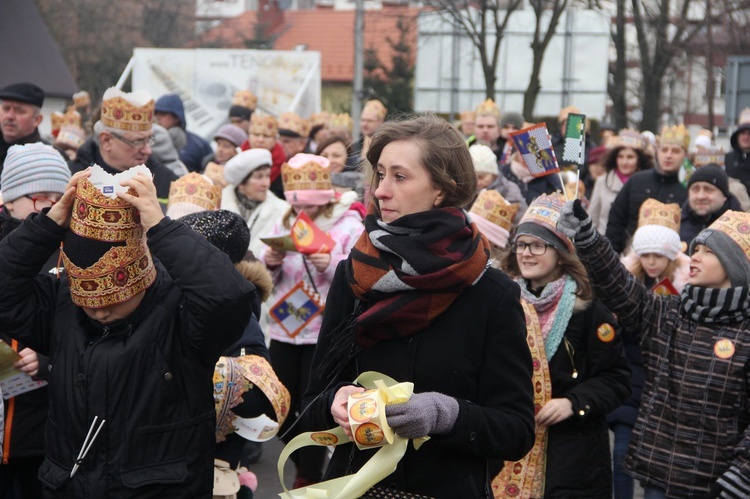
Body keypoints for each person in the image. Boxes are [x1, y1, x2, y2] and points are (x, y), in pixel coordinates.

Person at [299, 115, 535, 497]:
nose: (380, 191)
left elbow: (516, 431)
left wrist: (447, 413)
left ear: (442, 189)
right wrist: (334, 402)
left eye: (400, 176)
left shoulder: (490, 293)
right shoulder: (354, 275)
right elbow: (310, 405)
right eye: (379, 174)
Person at [0, 163, 254, 497]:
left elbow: (229, 297)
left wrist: (162, 229)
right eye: (88, 303)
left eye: (115, 301)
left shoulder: (181, 313)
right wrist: (46, 227)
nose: (100, 310)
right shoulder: (61, 307)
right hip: (68, 485)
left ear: (143, 275)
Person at [559, 198, 750, 498]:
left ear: (735, 267)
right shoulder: (668, 313)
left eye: (709, 252)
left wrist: (741, 478)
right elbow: (618, 284)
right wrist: (587, 236)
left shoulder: (746, 334)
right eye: (696, 249)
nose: (695, 257)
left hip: (716, 482)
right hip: (658, 474)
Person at [493, 193, 630, 498]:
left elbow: (617, 379)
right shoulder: (502, 302)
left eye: (538, 245)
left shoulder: (589, 308)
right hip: (511, 444)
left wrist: (573, 402)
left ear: (561, 251)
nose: (526, 254)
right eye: (521, 244)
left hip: (572, 454)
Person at [261, 153, 364, 488]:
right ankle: (303, 463)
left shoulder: (349, 225)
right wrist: (271, 260)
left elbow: (360, 275)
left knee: (314, 408)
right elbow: (268, 279)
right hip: (284, 328)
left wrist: (330, 263)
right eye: (299, 203)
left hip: (324, 331)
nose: (305, 211)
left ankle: (308, 475)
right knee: (276, 407)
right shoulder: (284, 221)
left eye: (312, 204)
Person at [0, 143, 71, 499]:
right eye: (41, 197)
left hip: (43, 428)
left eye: (62, 198)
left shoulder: (71, 253)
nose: (52, 208)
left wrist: (49, 363)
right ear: (9, 199)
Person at [613, 199, 690, 499]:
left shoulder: (688, 289)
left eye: (659, 255)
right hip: (632, 382)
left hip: (667, 389)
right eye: (646, 255)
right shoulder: (629, 284)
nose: (652, 262)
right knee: (620, 456)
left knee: (657, 472)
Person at [71, 87, 178, 200]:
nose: (148, 150)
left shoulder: (167, 183)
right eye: (138, 141)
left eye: (149, 139)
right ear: (106, 140)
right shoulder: (73, 179)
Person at [606, 124, 690, 254]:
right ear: (657, 152)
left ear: (685, 155)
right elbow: (616, 220)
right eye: (664, 150)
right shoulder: (637, 181)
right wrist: (613, 255)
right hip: (631, 256)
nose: (668, 155)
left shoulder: (690, 188)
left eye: (675, 151)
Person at [221, 148, 290, 257]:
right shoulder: (218, 206)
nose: (266, 183)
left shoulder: (283, 211)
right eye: (259, 177)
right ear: (241, 184)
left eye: (267, 176)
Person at [588, 130, 653, 234]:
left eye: (630, 157)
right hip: (605, 244)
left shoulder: (648, 183)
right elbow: (592, 220)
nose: (624, 162)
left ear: (639, 160)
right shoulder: (602, 181)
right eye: (620, 157)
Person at [680, 165, 741, 245]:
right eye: (695, 189)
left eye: (708, 189)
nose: (700, 196)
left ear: (724, 196)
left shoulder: (741, 228)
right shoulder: (677, 225)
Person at [153, 93, 213, 173]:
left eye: (163, 113)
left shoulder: (199, 145)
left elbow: (210, 176)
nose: (157, 118)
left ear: (176, 117)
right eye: (155, 113)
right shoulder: (148, 142)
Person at [468, 143, 527, 220]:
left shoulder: (509, 189)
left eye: (481, 177)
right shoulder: (463, 191)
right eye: (472, 178)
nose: (477, 182)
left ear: (493, 174)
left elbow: (521, 217)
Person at [0, 83, 45, 169]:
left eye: (19, 111)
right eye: (6, 108)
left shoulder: (46, 157)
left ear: (37, 120)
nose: (9, 116)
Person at [348, 100, 386, 167]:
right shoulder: (354, 146)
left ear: (381, 122)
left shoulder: (385, 145)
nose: (364, 124)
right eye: (363, 120)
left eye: (369, 121)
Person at [724, 108, 750, 197]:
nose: (746, 137)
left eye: (749, 133)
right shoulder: (727, 158)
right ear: (737, 136)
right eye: (743, 133)